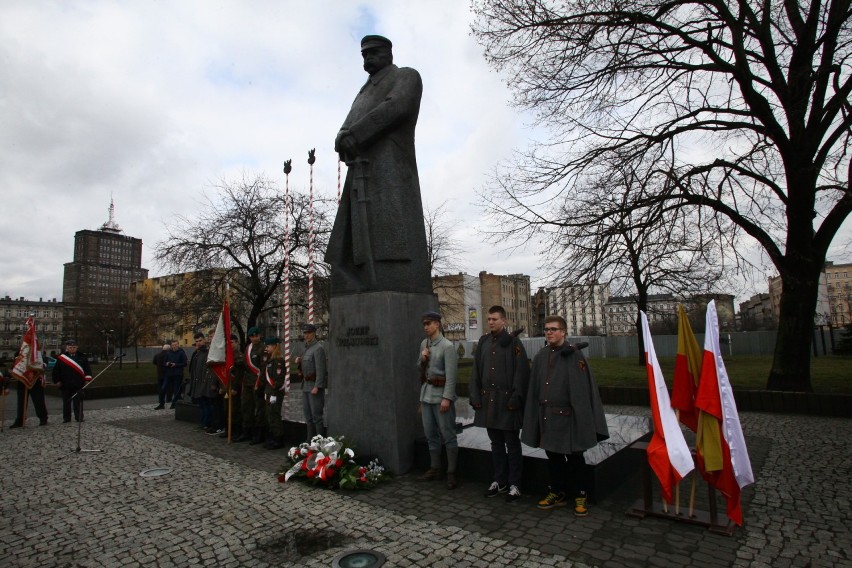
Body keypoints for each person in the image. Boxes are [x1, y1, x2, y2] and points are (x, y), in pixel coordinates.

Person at [325, 34, 431, 295]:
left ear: (389, 54)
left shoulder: (406, 76)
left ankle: (391, 280)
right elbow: (344, 127)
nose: (368, 57)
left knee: (390, 234)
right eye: (364, 54)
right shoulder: (363, 92)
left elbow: (397, 106)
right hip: (361, 171)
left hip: (391, 169)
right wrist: (342, 139)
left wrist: (355, 136)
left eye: (374, 52)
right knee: (355, 241)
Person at [521, 316, 609, 517]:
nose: (549, 332)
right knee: (553, 456)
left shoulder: (574, 356)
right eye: (546, 329)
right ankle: (557, 491)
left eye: (553, 329)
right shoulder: (541, 356)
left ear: (563, 332)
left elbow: (582, 391)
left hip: (569, 418)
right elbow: (535, 388)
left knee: (575, 456)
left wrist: (582, 419)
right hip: (547, 416)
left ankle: (580, 494)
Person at [469, 306, 530, 502]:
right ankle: (500, 480)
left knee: (512, 444)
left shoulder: (514, 343)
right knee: (496, 443)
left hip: (507, 403)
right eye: (489, 319)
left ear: (504, 320)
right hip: (488, 402)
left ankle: (515, 484)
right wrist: (475, 396)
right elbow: (476, 371)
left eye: (495, 319)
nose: (491, 322)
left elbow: (522, 373)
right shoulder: (484, 341)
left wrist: (516, 398)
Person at [417, 311, 460, 489]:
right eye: (424, 324)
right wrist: (423, 358)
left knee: (448, 434)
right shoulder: (424, 344)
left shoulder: (447, 346)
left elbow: (451, 376)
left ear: (437, 324)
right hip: (426, 395)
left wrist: (447, 398)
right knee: (430, 434)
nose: (426, 327)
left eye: (429, 323)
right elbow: (419, 369)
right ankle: (435, 468)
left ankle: (451, 472)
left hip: (441, 395)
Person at [296, 323, 327, 441]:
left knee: (317, 417)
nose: (306, 335)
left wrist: (318, 386)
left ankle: (320, 443)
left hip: (314, 387)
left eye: (308, 333)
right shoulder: (306, 348)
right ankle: (309, 442)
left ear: (314, 333)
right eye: (305, 333)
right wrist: (299, 362)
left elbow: (321, 369)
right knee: (308, 417)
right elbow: (306, 367)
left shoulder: (318, 348)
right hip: (305, 386)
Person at [52, 339, 93, 423]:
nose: (72, 349)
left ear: (77, 347)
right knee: (66, 402)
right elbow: (56, 371)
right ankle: (66, 418)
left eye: (74, 347)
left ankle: (79, 417)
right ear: (67, 348)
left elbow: (87, 369)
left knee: (78, 402)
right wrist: (57, 381)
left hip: (78, 383)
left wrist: (87, 379)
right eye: (70, 347)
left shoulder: (82, 357)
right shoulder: (61, 358)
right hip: (65, 384)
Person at [8, 349, 49, 428]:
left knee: (39, 401)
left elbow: (43, 364)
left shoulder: (37, 353)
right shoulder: (20, 352)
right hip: (22, 381)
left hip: (35, 381)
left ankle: (43, 418)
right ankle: (20, 420)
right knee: (21, 402)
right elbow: (15, 366)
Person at [262, 337, 290, 450]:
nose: (266, 348)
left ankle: (278, 439)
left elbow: (278, 379)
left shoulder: (279, 361)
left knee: (275, 415)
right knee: (270, 414)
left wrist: (273, 393)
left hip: (275, 393)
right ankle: (273, 437)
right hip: (269, 392)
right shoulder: (271, 360)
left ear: (274, 346)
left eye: (268, 346)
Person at [237, 327, 264, 443]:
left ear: (259, 336)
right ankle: (246, 431)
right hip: (247, 382)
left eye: (256, 335)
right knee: (246, 407)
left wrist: (260, 382)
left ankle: (258, 434)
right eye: (252, 336)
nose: (254, 338)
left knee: (258, 408)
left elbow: (263, 367)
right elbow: (243, 361)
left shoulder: (263, 348)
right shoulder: (248, 348)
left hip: (257, 382)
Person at [187, 332, 218, 432]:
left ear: (204, 340)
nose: (198, 343)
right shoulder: (197, 353)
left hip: (206, 383)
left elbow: (212, 369)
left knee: (208, 405)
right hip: (198, 383)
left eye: (200, 340)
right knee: (202, 404)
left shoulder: (208, 352)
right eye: (196, 341)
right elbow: (192, 368)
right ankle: (203, 422)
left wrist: (212, 383)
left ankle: (208, 423)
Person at [157, 340, 187, 410]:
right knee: (163, 388)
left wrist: (175, 364)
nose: (174, 346)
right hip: (169, 373)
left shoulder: (181, 353)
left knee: (176, 389)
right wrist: (167, 364)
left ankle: (174, 403)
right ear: (171, 346)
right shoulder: (168, 353)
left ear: (178, 345)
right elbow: (164, 363)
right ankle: (161, 404)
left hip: (177, 374)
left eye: (175, 345)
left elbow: (185, 363)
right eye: (173, 345)